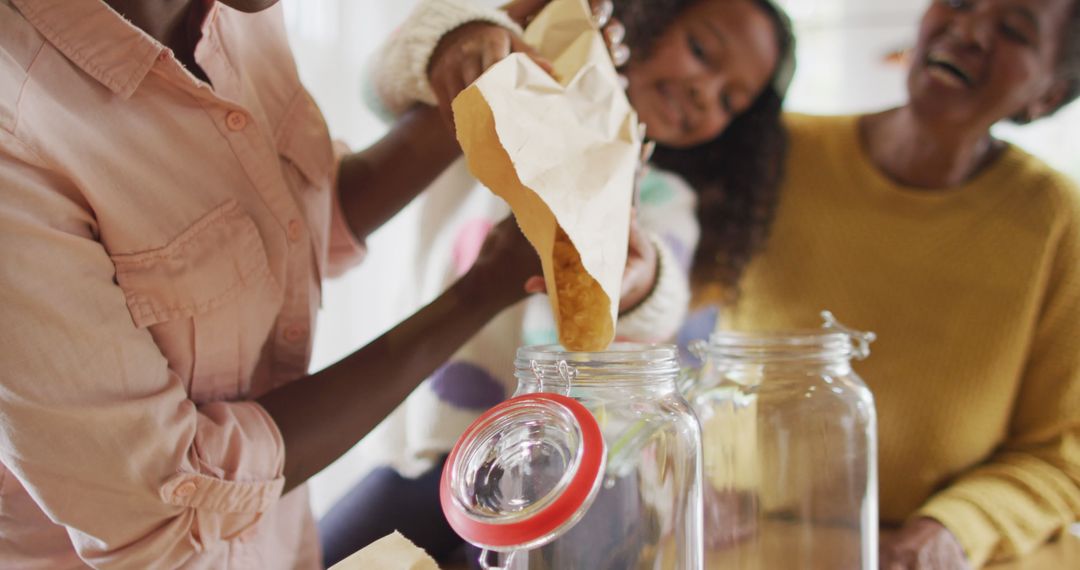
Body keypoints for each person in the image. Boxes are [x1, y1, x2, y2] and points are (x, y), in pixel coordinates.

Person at [0, 0, 593, 567]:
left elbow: (297, 216)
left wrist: (488, 87)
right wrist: (480, 292)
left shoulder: (234, 17)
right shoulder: (19, 133)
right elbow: (168, 497)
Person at [318, 0, 797, 565]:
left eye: (728, 100)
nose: (703, 92)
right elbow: (383, 87)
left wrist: (636, 282)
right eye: (700, 51)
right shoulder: (507, 101)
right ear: (649, 18)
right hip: (436, 441)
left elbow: (658, 298)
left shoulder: (665, 199)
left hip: (578, 476)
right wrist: (456, 38)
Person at [715, 0, 1080, 567]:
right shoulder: (781, 150)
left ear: (1048, 95)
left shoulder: (1058, 219)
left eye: (1013, 31)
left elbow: (1060, 457)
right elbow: (657, 287)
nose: (971, 31)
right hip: (745, 536)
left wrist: (951, 530)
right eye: (959, 3)